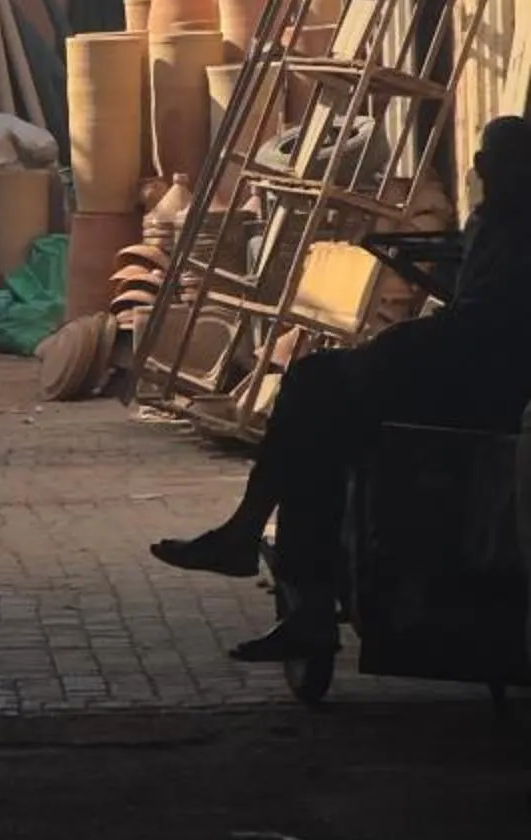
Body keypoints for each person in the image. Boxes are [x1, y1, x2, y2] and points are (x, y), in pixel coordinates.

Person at [153, 114, 531, 662]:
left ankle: (260, 546)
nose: (484, 172)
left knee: (315, 391)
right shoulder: (494, 220)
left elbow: (485, 323)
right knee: (322, 416)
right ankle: (278, 568)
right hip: (465, 365)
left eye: (497, 162)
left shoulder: (511, 228)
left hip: (479, 380)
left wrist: (408, 339)